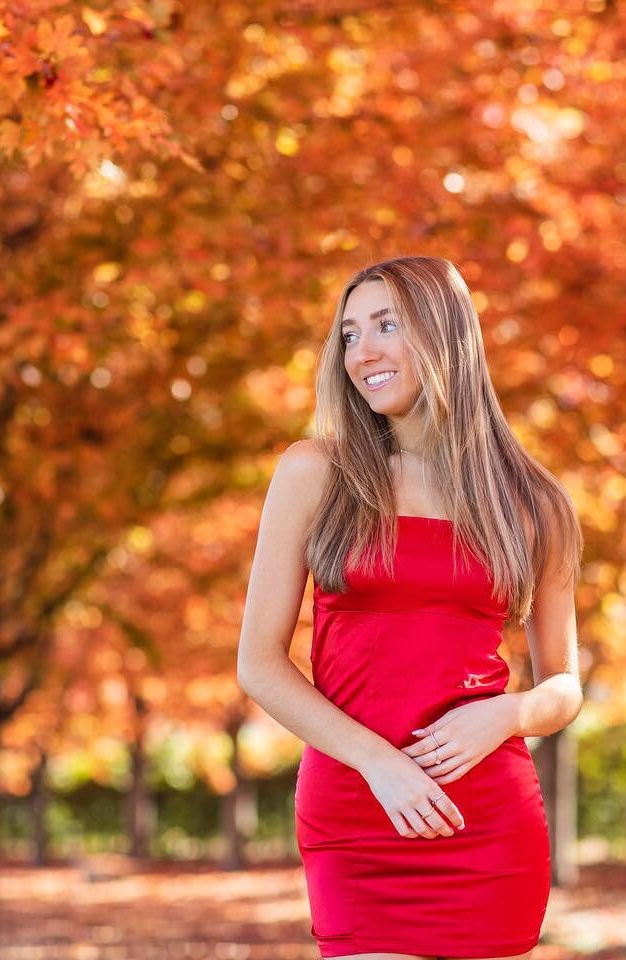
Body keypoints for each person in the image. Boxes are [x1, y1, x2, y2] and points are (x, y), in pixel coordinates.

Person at [236, 255, 583, 960]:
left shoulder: (534, 504)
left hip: (485, 817)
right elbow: (259, 665)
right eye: (350, 334)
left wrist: (509, 713)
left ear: (444, 334)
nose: (363, 352)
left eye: (386, 325)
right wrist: (377, 762)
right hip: (356, 808)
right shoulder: (316, 473)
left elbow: (565, 684)